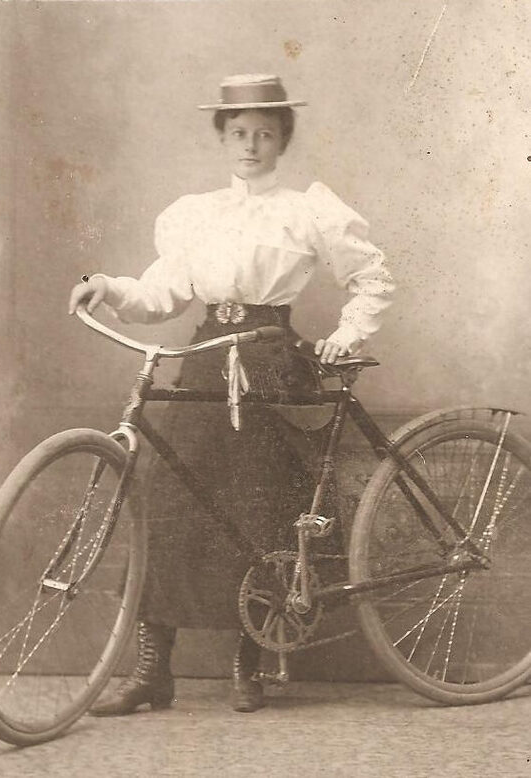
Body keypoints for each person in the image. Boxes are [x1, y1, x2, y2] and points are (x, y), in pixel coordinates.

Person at [69, 73, 395, 715]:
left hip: (271, 366)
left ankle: (250, 663)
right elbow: (161, 292)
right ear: (223, 138)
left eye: (265, 134)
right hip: (203, 364)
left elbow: (373, 277)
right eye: (239, 133)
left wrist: (346, 333)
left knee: (261, 511)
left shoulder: (307, 211)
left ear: (281, 141)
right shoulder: (195, 213)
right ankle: (151, 670)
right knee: (166, 502)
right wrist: (104, 282)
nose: (251, 145)